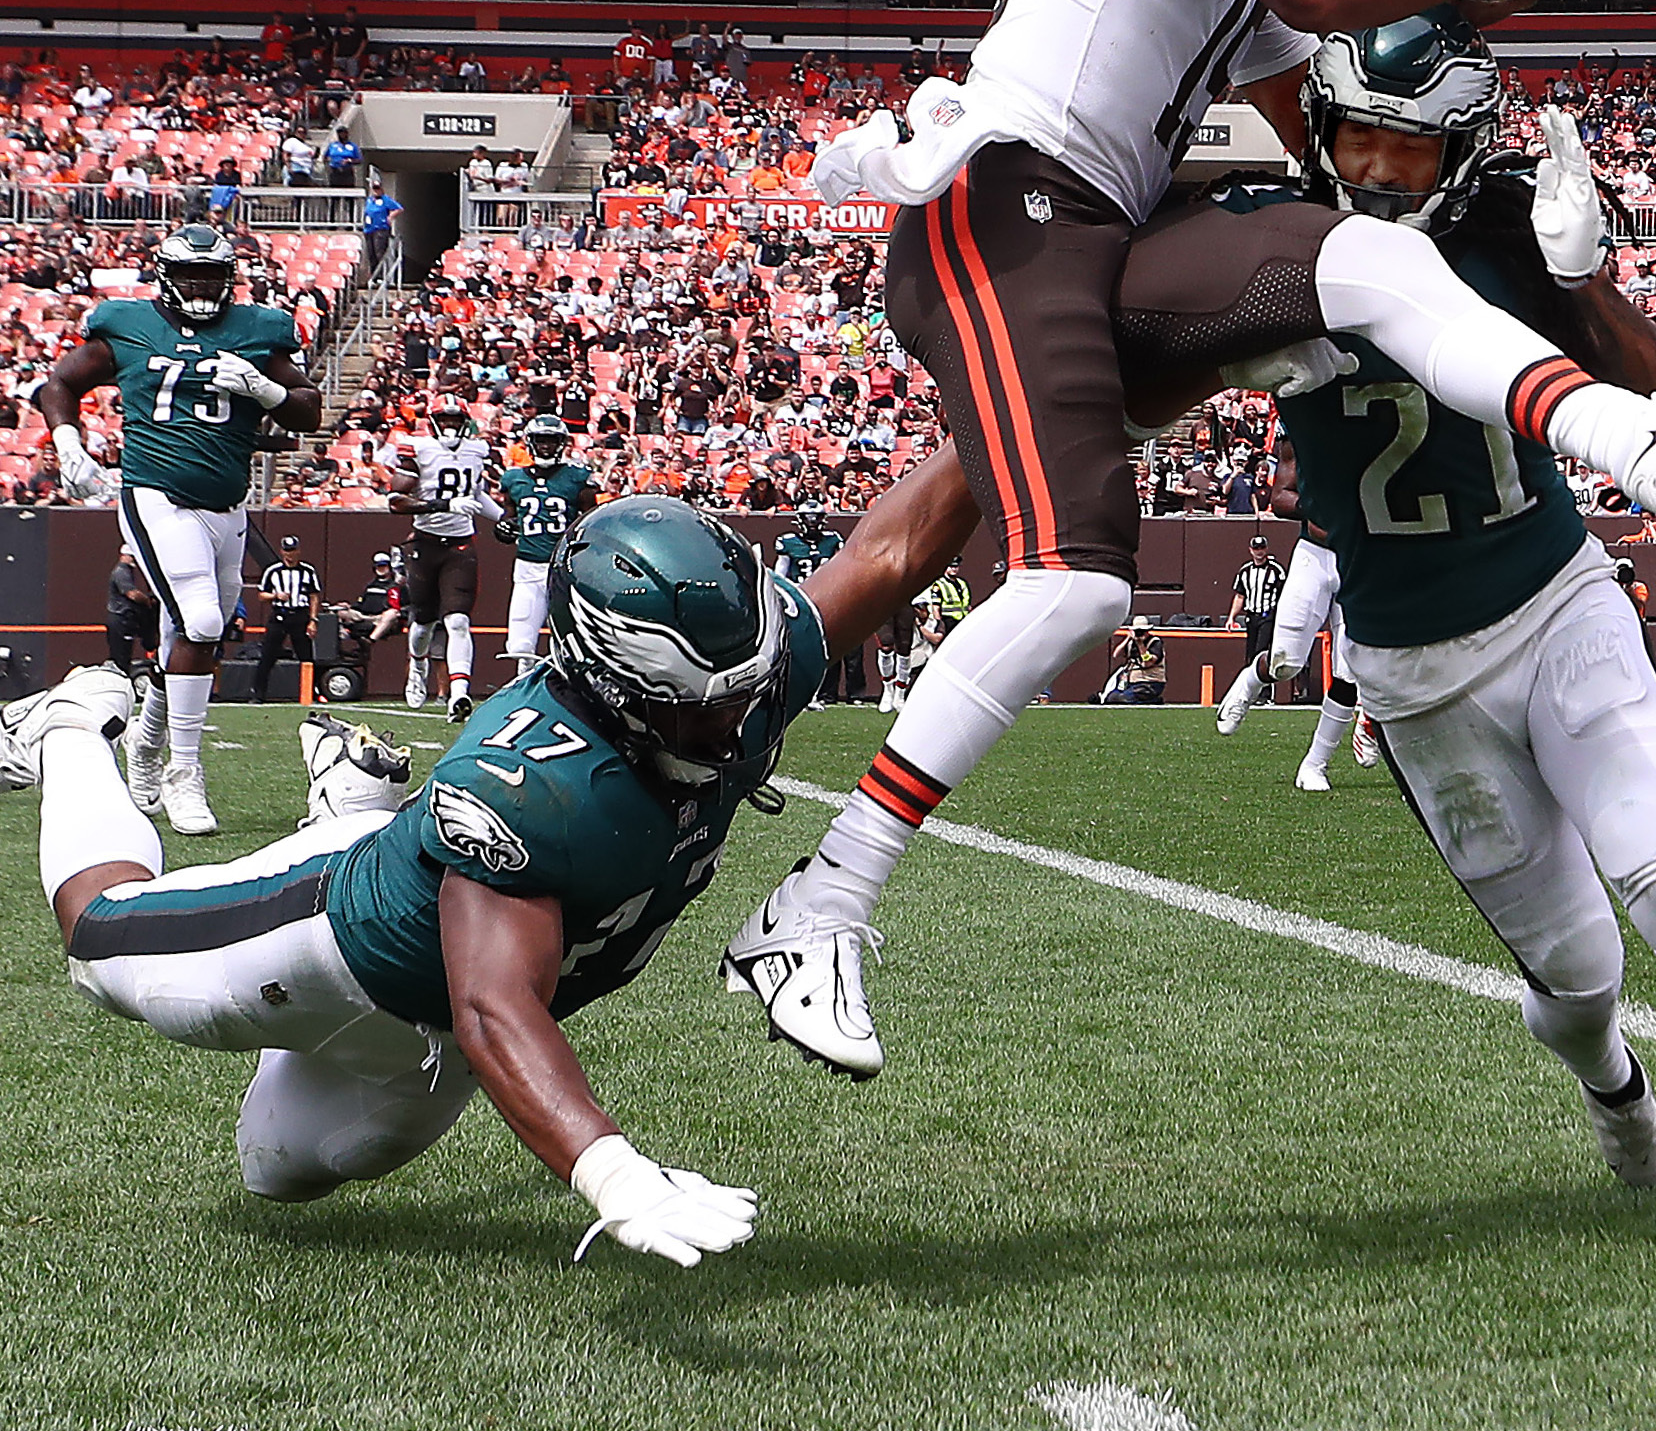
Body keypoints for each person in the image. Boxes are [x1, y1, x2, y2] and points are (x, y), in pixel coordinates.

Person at [725, 0, 1656, 1064]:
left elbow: (1312, 111)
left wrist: (1447, 155)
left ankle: (1647, 450)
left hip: (1097, 222)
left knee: (1361, 259)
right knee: (1070, 582)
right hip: (1008, 204)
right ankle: (822, 899)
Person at [1206, 11, 1656, 1275]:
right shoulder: (1262, 245)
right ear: (1321, 130)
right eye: (1361, 137)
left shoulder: (1501, 228)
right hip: (1413, 671)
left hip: (1556, 601)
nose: (1382, 170)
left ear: (1462, 149)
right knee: (1576, 972)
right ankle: (1614, 1089)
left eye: (1411, 144)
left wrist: (1580, 275)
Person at [1, 465, 976, 1260]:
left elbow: (888, 549)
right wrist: (612, 1171)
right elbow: (493, 1005)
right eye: (702, 703)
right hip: (344, 936)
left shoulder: (740, 669)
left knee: (280, 1169)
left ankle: (354, 797)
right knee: (100, 938)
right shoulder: (529, 781)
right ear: (614, 678)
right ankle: (69, 727)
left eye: (747, 683)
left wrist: (1014, 413)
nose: (739, 717)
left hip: (439, 1010)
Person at [38, 224, 322, 836]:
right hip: (156, 495)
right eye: (191, 275)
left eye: (213, 277)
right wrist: (68, 440)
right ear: (165, 275)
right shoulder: (127, 324)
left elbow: (309, 409)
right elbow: (60, 382)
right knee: (200, 621)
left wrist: (267, 388)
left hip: (228, 506)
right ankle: (183, 771)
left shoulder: (257, 329)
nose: (201, 287)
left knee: (201, 634)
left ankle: (147, 737)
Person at [1216, 457, 1378, 789]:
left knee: (1349, 671)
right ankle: (1251, 680)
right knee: (1286, 663)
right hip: (1315, 555)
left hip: (1362, 557)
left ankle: (1315, 764)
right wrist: (1323, 503)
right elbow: (1280, 499)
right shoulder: (1308, 416)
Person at [385, 396, 498, 721]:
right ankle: (417, 666)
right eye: (443, 420)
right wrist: (444, 506)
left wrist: (502, 517)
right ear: (433, 422)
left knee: (458, 621)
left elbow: (476, 496)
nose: (449, 426)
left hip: (460, 545)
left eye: (454, 420)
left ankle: (459, 695)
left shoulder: (476, 451)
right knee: (423, 622)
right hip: (426, 543)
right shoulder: (418, 448)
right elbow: (395, 501)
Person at [493, 415, 597, 675]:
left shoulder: (577, 477)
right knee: (520, 642)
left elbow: (592, 520)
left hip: (564, 567)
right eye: (541, 441)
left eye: (552, 441)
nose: (546, 447)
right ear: (530, 443)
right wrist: (504, 528)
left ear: (562, 443)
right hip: (528, 566)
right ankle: (523, 684)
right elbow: (509, 517)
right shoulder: (514, 478)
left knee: (567, 638)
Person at [250, 535, 322, 703]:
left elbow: (314, 596)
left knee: (306, 656)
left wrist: (313, 620)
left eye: (293, 551)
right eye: (287, 551)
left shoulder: (308, 570)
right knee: (267, 655)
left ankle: (311, 692)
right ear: (282, 552)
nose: (290, 555)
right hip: (279, 615)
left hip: (300, 615)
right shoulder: (273, 571)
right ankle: (258, 694)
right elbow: (261, 595)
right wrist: (276, 595)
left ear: (299, 551)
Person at [1227, 533, 1287, 702]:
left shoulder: (1276, 570)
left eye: (1261, 548)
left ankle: (1265, 694)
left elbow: (1284, 595)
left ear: (1266, 549)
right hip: (1251, 616)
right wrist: (1232, 617)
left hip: (1268, 615)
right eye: (1256, 548)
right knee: (1251, 655)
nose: (1259, 552)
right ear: (1250, 550)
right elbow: (1240, 596)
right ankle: (1252, 692)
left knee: (1262, 653)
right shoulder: (1245, 571)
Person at [103, 548, 157, 678]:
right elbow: (132, 594)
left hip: (127, 619)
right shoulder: (122, 572)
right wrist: (147, 601)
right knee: (121, 659)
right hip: (121, 619)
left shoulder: (128, 571)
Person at [1101, 614, 1168, 703]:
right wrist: (1128, 638)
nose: (1139, 633)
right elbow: (1116, 654)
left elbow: (1147, 663)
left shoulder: (1155, 643)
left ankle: (1154, 701)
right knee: (1112, 698)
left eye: (1142, 631)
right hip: (1132, 683)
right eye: (1137, 631)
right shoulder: (1131, 643)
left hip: (1149, 683)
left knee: (1125, 699)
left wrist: (1141, 645)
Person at [361, 179, 403, 271]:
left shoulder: (386, 200)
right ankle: (374, 274)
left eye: (378, 188)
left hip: (380, 229)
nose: (376, 191)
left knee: (379, 252)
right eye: (374, 189)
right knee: (371, 254)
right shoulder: (370, 200)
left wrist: (390, 217)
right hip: (369, 229)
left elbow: (399, 208)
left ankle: (380, 274)